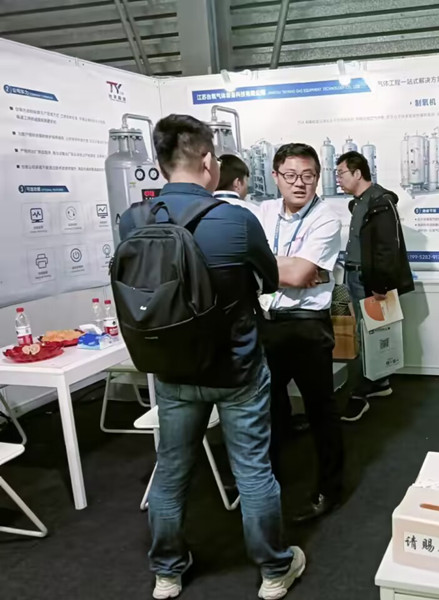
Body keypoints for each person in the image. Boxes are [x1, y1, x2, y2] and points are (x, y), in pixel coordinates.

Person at [119, 115, 304, 600]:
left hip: (171, 367)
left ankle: (167, 573)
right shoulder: (236, 220)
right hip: (236, 366)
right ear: (207, 161)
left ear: (161, 163)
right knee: (253, 470)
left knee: (171, 470)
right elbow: (268, 279)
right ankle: (273, 571)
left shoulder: (133, 221)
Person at [257, 143, 345, 522]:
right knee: (268, 410)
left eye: (308, 176)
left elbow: (297, 275)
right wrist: (293, 268)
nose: (299, 183)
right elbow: (250, 263)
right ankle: (267, 485)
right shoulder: (262, 212)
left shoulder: (326, 218)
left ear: (317, 178)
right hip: (266, 323)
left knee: (320, 410)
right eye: (291, 175)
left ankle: (329, 488)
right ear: (275, 176)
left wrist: (275, 268)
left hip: (308, 325)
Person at [336, 150, 414, 422]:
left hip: (368, 280)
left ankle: (359, 395)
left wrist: (380, 284)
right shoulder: (359, 202)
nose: (338, 179)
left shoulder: (380, 202)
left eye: (341, 173)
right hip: (355, 276)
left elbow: (387, 247)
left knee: (365, 336)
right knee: (370, 333)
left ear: (358, 173)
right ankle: (380, 382)